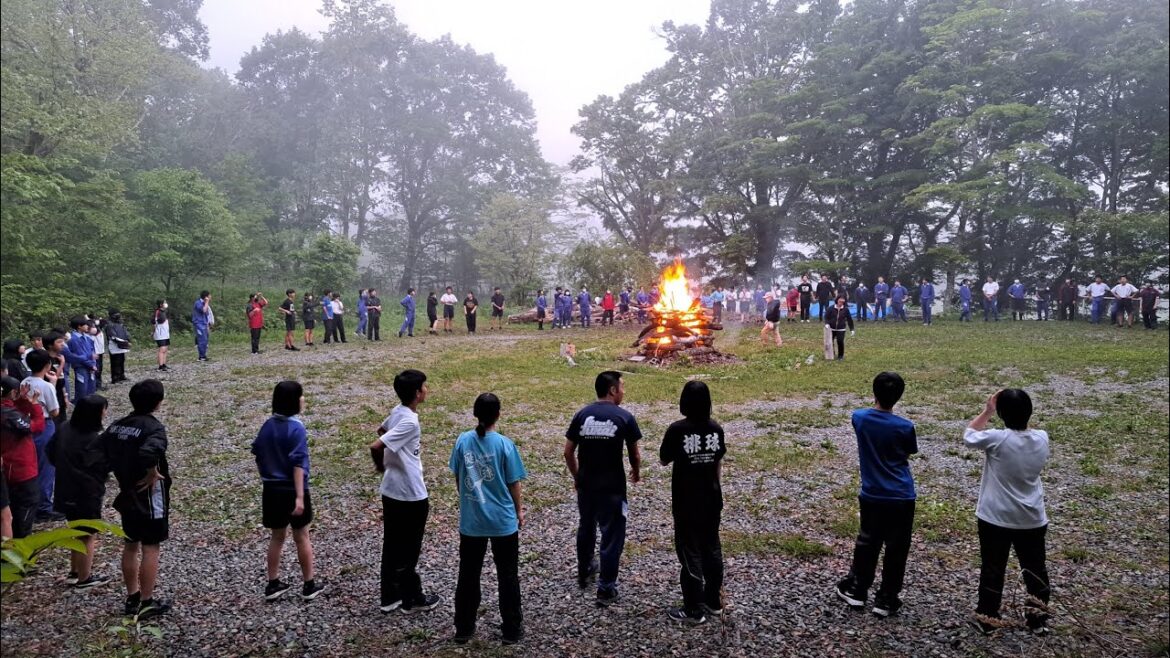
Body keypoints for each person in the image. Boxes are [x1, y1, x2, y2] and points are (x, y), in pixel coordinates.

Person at [964, 389, 1051, 635]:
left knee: (993, 568)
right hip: (1032, 517)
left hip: (996, 517)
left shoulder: (996, 439)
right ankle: (1038, 619)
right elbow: (1026, 429)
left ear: (1002, 414)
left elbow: (969, 435)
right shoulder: (1042, 438)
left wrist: (987, 411)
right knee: (1035, 569)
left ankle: (988, 618)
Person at [836, 372, 917, 618]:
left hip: (872, 494)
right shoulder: (905, 426)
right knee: (897, 547)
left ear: (874, 392)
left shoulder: (859, 418)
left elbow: (864, 418)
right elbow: (909, 451)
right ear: (899, 396)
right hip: (902, 495)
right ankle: (887, 598)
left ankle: (857, 590)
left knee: (868, 541)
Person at [449, 393, 527, 645]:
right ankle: (512, 629)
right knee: (507, 575)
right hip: (502, 522)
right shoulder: (505, 444)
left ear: (475, 413)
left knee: (468, 574)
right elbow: (513, 482)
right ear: (498, 414)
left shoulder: (462, 441)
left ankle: (463, 627)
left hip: (472, 522)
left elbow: (458, 475)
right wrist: (519, 511)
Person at [563, 371, 642, 607]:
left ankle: (585, 568)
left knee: (586, 527)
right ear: (612, 390)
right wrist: (636, 472)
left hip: (587, 484)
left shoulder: (582, 415)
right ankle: (606, 588)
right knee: (612, 535)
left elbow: (568, 451)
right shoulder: (624, 417)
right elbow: (634, 454)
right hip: (612, 487)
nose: (624, 391)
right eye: (622, 387)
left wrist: (578, 476)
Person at [368, 369, 441, 614]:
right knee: (410, 548)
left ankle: (390, 596)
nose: (427, 390)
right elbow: (377, 445)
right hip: (410, 492)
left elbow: (382, 431)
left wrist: (397, 456)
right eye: (425, 387)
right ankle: (412, 598)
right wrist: (382, 464)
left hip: (391, 490)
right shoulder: (410, 421)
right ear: (417, 393)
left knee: (392, 545)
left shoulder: (398, 412)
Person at [102, 379, 172, 619]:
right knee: (151, 545)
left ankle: (132, 596)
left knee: (130, 543)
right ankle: (146, 601)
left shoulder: (117, 426)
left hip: (126, 490)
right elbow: (149, 451)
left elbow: (99, 449)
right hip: (149, 494)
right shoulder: (153, 428)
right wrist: (152, 469)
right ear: (158, 403)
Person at [660, 381, 726, 625]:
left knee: (690, 551)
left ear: (684, 402)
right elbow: (718, 461)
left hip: (687, 500)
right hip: (712, 497)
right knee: (711, 547)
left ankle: (693, 609)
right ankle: (714, 602)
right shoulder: (716, 429)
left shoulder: (677, 430)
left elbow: (664, 459)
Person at [252, 381, 324, 602]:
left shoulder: (267, 425)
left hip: (271, 489)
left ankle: (273, 583)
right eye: (301, 396)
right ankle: (309, 584)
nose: (303, 400)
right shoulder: (297, 428)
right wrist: (300, 497)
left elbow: (257, 451)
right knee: (301, 536)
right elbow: (298, 465)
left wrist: (266, 475)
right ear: (294, 402)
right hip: (293, 490)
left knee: (277, 537)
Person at [48, 394, 111, 588]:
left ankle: (74, 571)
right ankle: (85, 577)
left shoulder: (64, 427)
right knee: (88, 534)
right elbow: (103, 465)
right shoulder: (94, 438)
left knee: (75, 529)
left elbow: (49, 452)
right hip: (86, 491)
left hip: (64, 486)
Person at [1, 375, 43, 537]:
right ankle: (20, 550)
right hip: (20, 470)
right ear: (13, 392)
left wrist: (22, 401)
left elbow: (16, 414)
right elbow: (36, 426)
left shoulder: (8, 410)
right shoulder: (8, 415)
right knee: (25, 508)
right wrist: (35, 405)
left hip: (8, 468)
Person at [23, 350, 62, 521]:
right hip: (44, 424)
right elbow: (54, 412)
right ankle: (44, 507)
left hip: (27, 424)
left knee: (32, 464)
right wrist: (53, 385)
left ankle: (31, 504)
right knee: (46, 466)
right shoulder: (46, 386)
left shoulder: (24, 382)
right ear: (47, 366)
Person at [64, 316, 97, 400]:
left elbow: (92, 352)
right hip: (81, 367)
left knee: (91, 388)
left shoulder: (87, 337)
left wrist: (93, 363)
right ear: (79, 326)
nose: (87, 326)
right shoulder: (74, 339)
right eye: (85, 325)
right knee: (82, 389)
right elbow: (78, 355)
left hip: (90, 366)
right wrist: (91, 365)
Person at [825, 296, 856, 361]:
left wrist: (852, 329)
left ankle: (840, 356)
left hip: (841, 329)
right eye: (840, 302)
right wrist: (827, 324)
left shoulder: (845, 309)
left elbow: (849, 319)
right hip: (831, 328)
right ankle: (831, 354)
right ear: (837, 300)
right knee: (830, 342)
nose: (841, 303)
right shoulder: (830, 308)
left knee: (840, 341)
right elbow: (826, 317)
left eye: (842, 302)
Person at [105, 310, 131, 383]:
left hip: (122, 345)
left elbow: (125, 332)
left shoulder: (120, 323)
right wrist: (122, 342)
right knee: (115, 362)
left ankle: (121, 375)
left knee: (121, 360)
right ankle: (115, 377)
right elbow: (113, 336)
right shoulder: (109, 325)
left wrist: (128, 340)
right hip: (114, 345)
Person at [192, 291, 213, 362]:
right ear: (206, 297)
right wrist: (207, 302)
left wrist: (208, 324)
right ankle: (201, 357)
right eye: (209, 295)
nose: (211, 297)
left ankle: (203, 355)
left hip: (204, 323)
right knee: (201, 340)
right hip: (199, 324)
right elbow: (203, 310)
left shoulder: (205, 303)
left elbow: (206, 315)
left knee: (205, 340)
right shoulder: (198, 303)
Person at [151, 300, 170, 372]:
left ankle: (164, 364)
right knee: (162, 349)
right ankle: (160, 365)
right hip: (160, 333)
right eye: (164, 303)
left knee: (165, 349)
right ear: (161, 304)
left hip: (166, 333)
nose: (166, 304)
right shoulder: (157, 312)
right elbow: (154, 323)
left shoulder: (164, 312)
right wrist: (153, 332)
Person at [90, 318, 106, 390]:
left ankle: (98, 384)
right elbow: (95, 330)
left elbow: (104, 322)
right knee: (96, 369)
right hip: (95, 352)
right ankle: (95, 385)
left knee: (99, 369)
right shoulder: (95, 331)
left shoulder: (99, 330)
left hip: (100, 352)